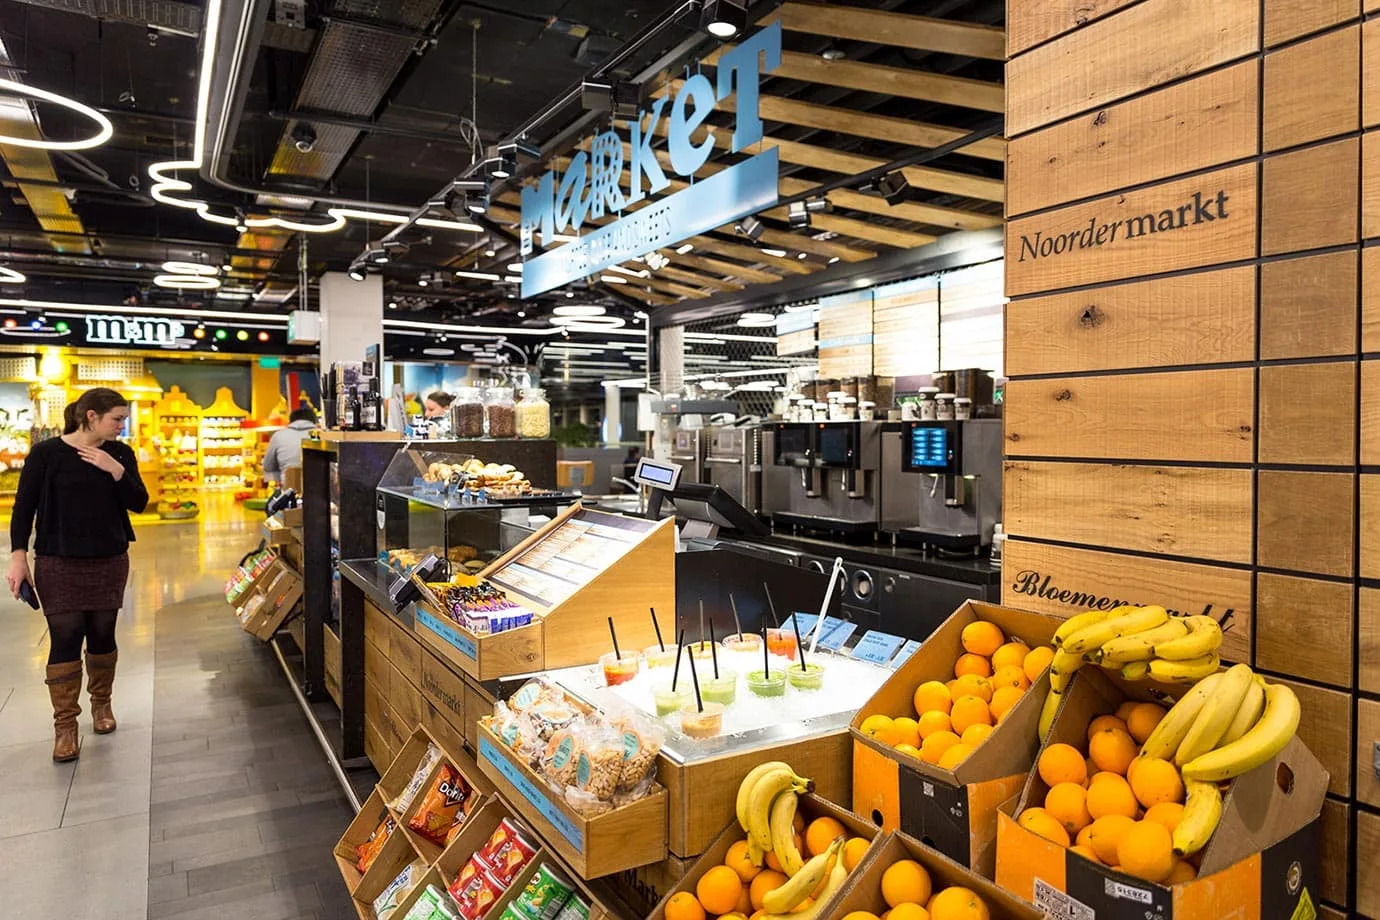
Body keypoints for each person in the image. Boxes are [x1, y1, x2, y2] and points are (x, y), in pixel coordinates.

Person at [7, 387, 148, 762]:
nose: (122, 425)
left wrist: (115, 471)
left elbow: (140, 501)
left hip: (109, 559)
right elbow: (24, 507)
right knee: (65, 636)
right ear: (91, 416)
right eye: (117, 418)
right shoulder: (46, 454)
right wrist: (18, 555)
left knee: (103, 632)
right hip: (58, 559)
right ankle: (65, 725)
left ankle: (102, 705)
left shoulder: (120, 454)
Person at [263, 405, 318, 484]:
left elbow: (268, 466)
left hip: (288, 487)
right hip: (318, 486)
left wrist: (280, 478)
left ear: (291, 421)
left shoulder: (279, 435)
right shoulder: (318, 434)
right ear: (313, 420)